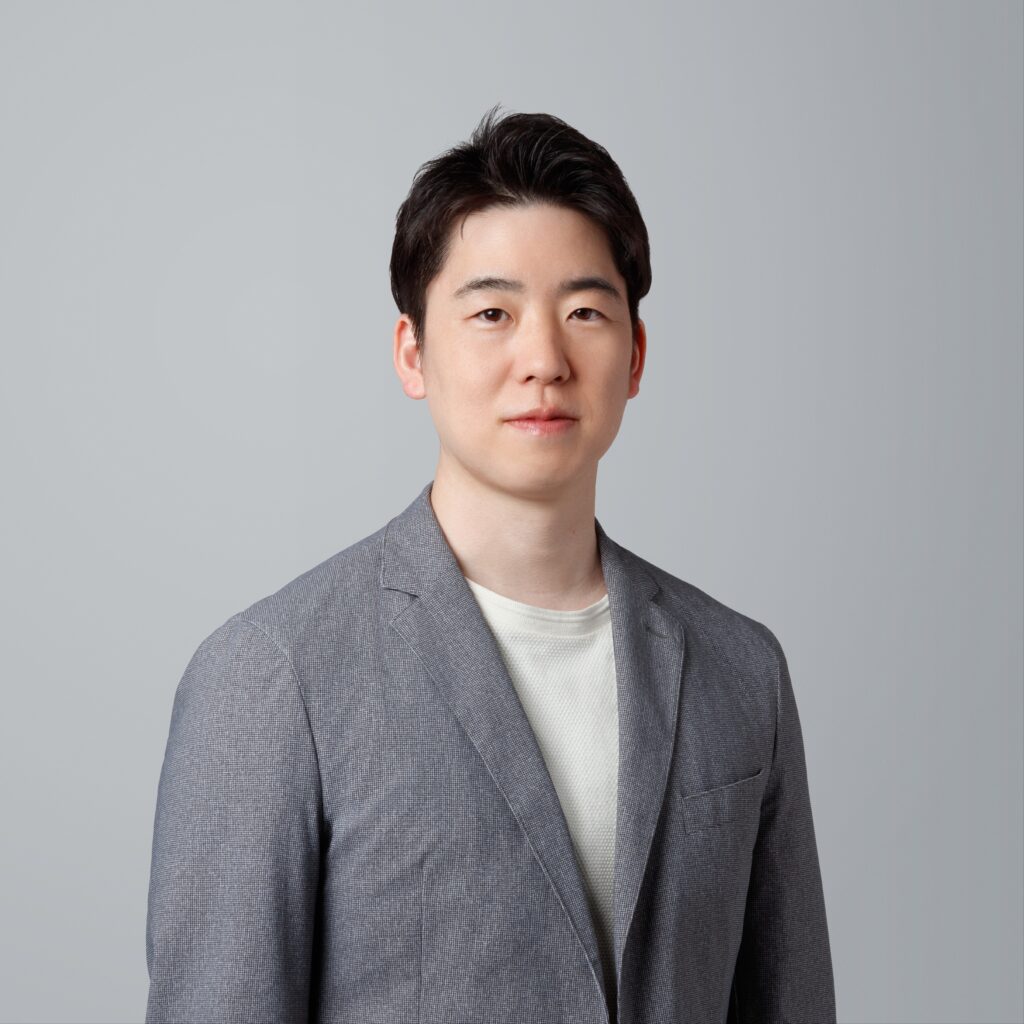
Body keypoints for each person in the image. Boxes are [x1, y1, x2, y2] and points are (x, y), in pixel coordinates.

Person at [144, 105, 836, 1024]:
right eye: (492, 314)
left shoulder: (741, 669)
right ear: (412, 353)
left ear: (635, 355)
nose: (543, 358)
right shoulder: (273, 676)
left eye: (584, 311)